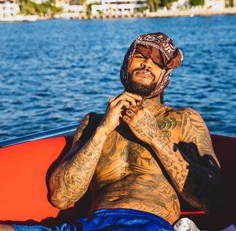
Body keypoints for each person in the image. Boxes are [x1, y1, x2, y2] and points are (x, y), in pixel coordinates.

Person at [0, 32, 225, 231]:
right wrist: (103, 130)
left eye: (157, 62)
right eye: (140, 56)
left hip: (148, 223)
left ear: (165, 76)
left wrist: (154, 135)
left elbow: (213, 200)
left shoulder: (183, 119)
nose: (147, 64)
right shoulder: (93, 122)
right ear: (126, 63)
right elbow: (61, 196)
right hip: (89, 224)